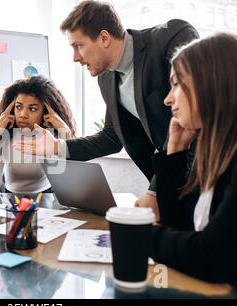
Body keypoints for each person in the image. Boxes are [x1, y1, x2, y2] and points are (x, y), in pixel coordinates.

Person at [13, 0, 199, 218]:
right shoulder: (106, 78)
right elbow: (111, 138)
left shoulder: (170, 38)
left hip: (204, 174)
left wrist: (155, 190)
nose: (75, 58)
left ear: (104, 38)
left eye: (78, 46)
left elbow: (195, 112)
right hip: (171, 186)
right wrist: (58, 147)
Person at [151, 33, 236, 285]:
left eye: (177, 84)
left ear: (212, 83)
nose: (168, 99)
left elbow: (213, 257)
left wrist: (140, 235)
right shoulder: (215, 150)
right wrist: (175, 150)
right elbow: (182, 228)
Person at [0, 75, 76, 193]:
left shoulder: (52, 137)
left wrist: (65, 132)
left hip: (47, 197)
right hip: (10, 199)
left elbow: (70, 184)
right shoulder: (5, 136)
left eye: (32, 109)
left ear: (45, 112)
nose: (23, 115)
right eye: (18, 107)